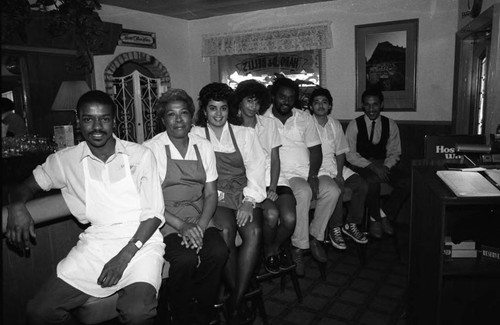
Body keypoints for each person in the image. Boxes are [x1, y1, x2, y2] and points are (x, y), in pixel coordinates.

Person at [5, 90, 166, 325]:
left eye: (104, 119)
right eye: (89, 119)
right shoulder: (65, 160)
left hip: (142, 243)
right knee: (40, 310)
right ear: (78, 122)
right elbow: (25, 187)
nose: (97, 126)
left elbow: (153, 215)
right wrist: (17, 206)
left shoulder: (140, 155)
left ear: (114, 121)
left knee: (137, 312)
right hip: (97, 244)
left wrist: (123, 257)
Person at [143, 89, 228, 325]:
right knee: (185, 259)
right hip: (165, 219)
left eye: (183, 114)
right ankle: (180, 312)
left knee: (219, 252)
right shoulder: (151, 149)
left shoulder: (204, 146)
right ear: (163, 119)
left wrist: (199, 227)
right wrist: (181, 226)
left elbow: (210, 193)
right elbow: (149, 201)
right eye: (171, 114)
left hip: (199, 214)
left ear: (192, 117)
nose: (178, 119)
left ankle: (202, 306)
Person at [191, 82, 266, 324]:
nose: (218, 114)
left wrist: (249, 201)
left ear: (229, 109)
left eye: (223, 108)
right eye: (212, 108)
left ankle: (235, 299)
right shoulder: (194, 135)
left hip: (243, 194)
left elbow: (256, 168)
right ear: (204, 111)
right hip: (216, 196)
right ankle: (239, 298)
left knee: (253, 230)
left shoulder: (245, 134)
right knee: (225, 230)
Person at [262, 77, 341, 276]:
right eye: (282, 96)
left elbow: (315, 150)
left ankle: (315, 235)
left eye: (290, 97)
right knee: (304, 192)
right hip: (280, 177)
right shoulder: (262, 119)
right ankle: (298, 247)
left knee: (333, 190)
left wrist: (313, 175)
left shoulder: (303, 117)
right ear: (274, 96)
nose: (286, 101)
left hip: (305, 171)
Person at [233, 79, 297, 274]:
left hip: (275, 179)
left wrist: (273, 188)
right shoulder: (231, 127)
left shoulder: (269, 124)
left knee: (290, 218)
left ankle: (272, 246)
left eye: (257, 102)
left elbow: (276, 160)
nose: (253, 106)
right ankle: (269, 250)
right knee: (271, 214)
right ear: (240, 102)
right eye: (249, 101)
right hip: (250, 182)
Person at [345, 88, 410, 238]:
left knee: (408, 181)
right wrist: (373, 167)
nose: (371, 109)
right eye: (367, 105)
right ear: (363, 106)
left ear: (381, 105)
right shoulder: (354, 125)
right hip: (360, 165)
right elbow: (350, 154)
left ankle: (383, 214)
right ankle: (375, 219)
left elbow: (395, 152)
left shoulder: (391, 124)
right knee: (372, 180)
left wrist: (385, 167)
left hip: (384, 163)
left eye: (375, 104)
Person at [308, 87, 368, 250]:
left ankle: (351, 224)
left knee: (361, 184)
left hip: (334, 165)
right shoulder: (306, 123)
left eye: (324, 102)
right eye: (317, 102)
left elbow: (340, 152)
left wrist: (340, 173)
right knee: (337, 188)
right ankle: (335, 228)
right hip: (317, 169)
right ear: (311, 106)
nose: (321, 106)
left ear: (329, 106)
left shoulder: (335, 124)